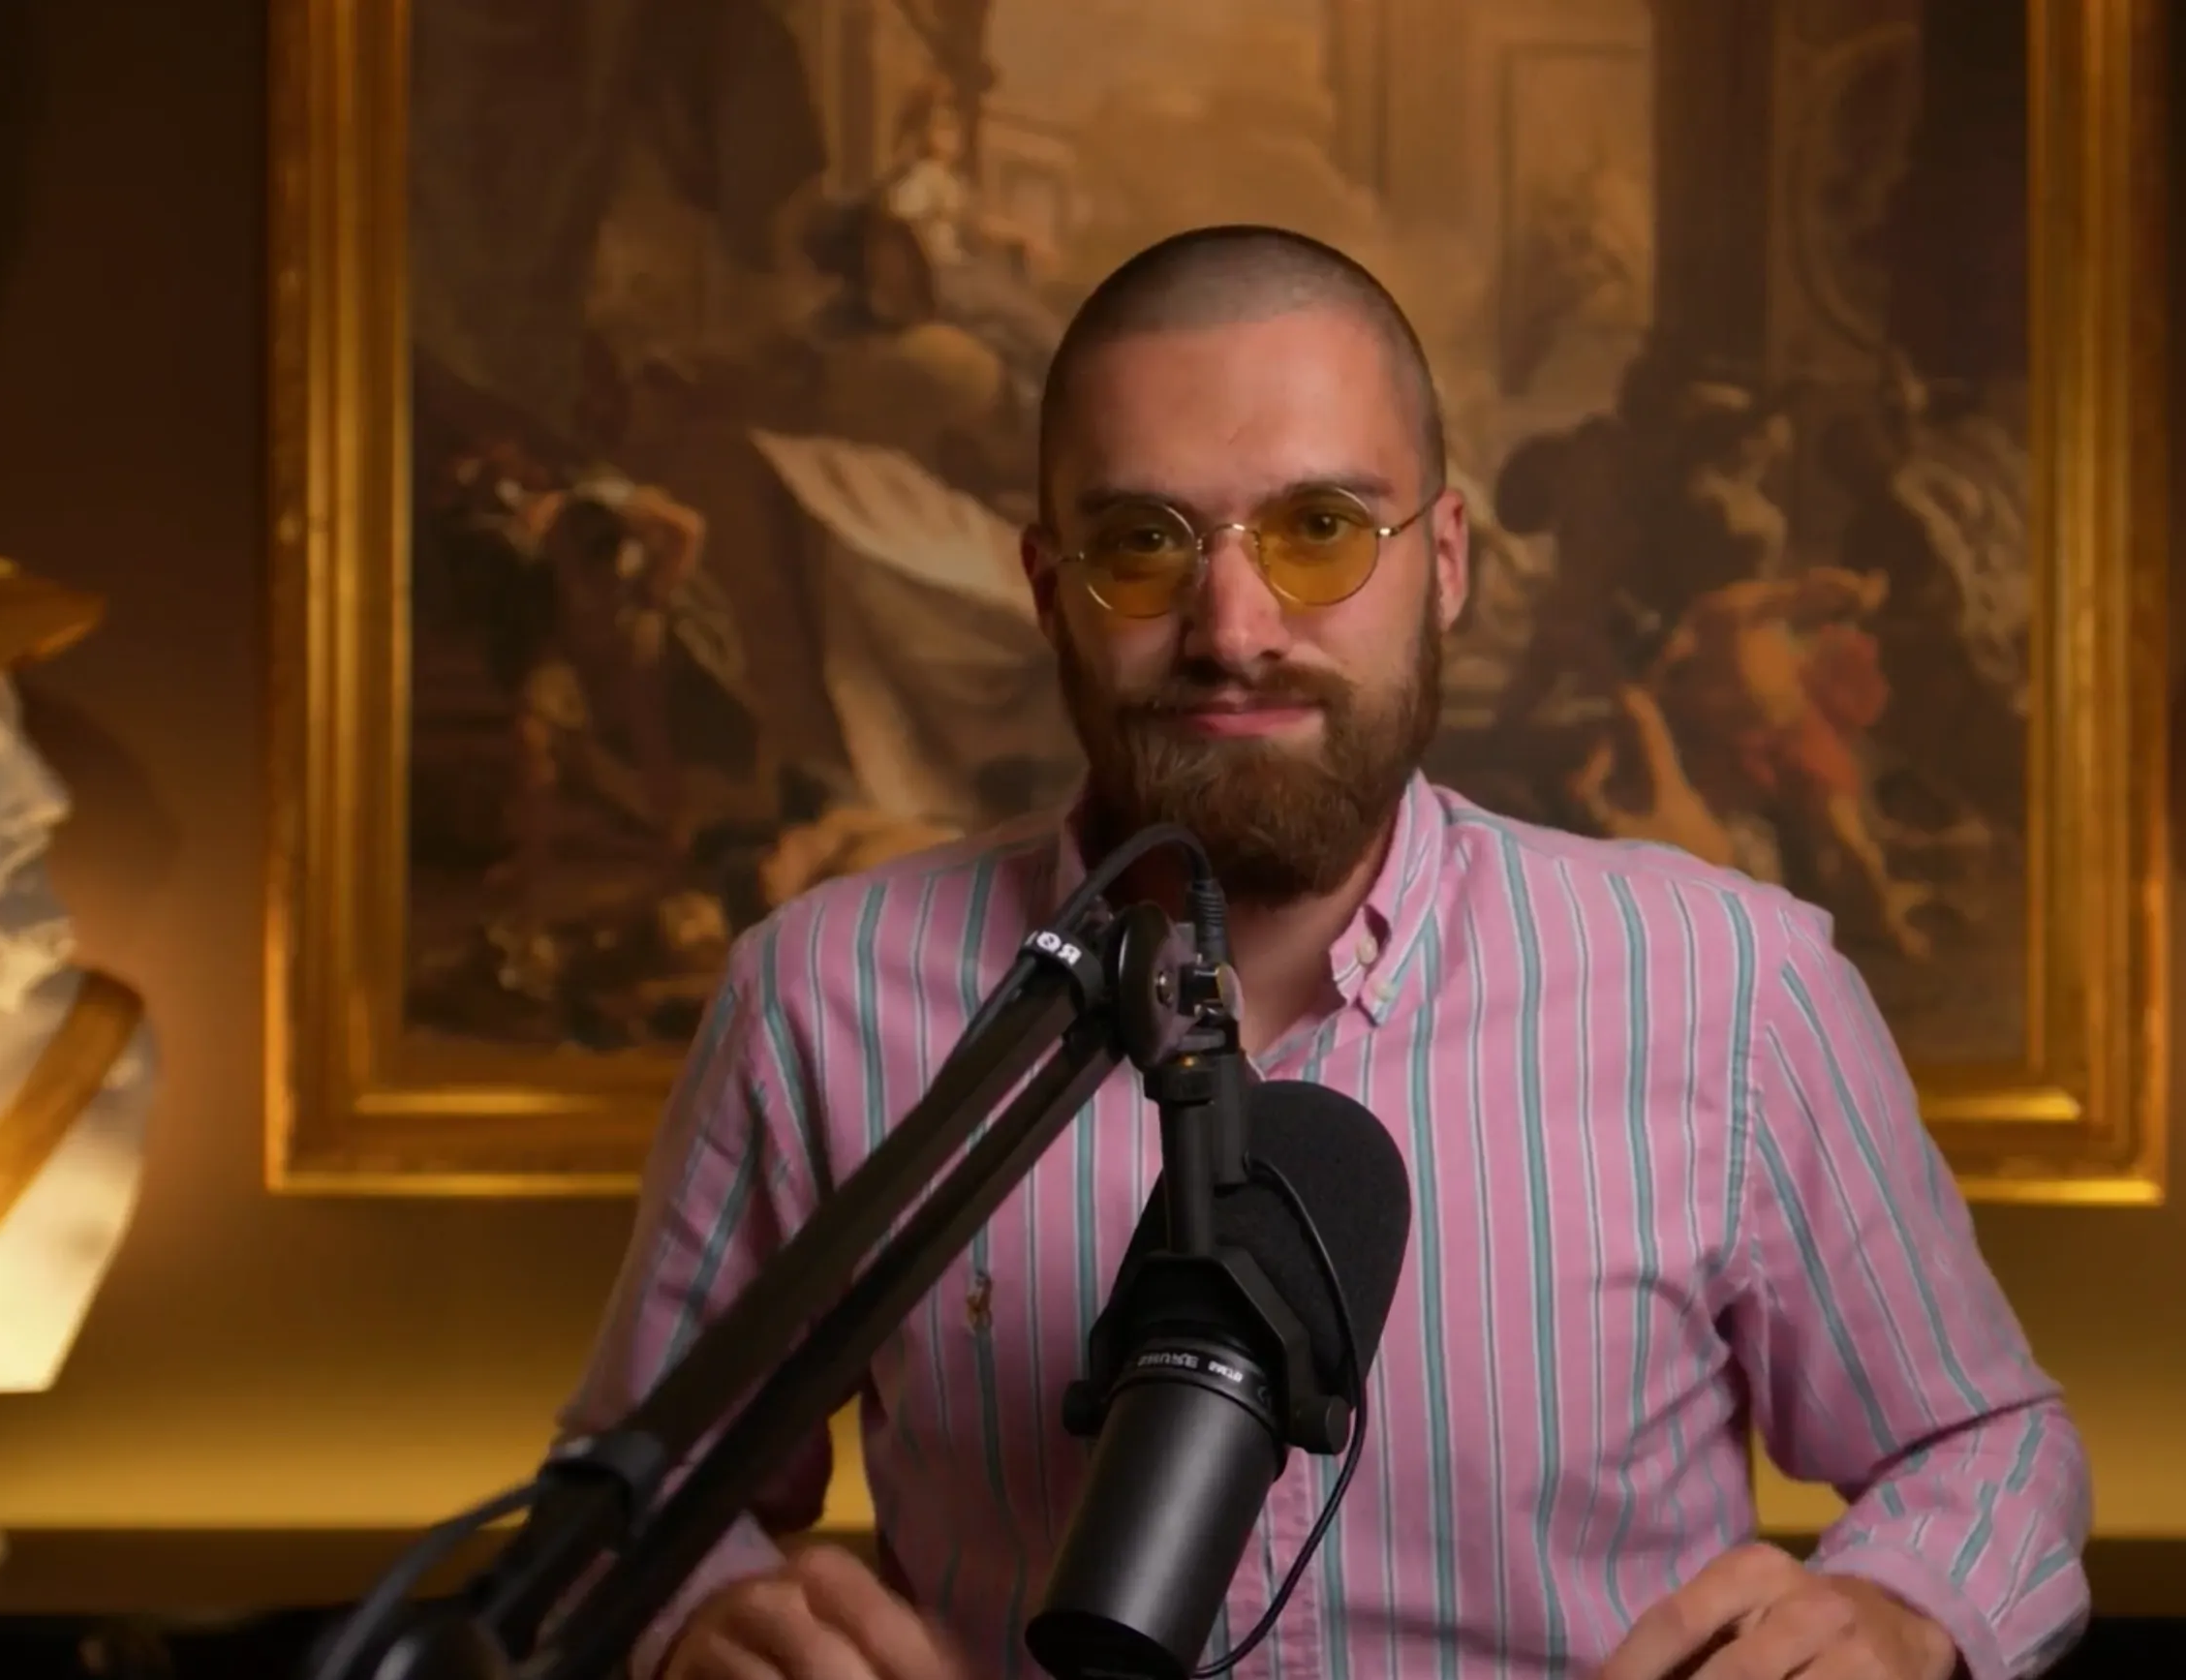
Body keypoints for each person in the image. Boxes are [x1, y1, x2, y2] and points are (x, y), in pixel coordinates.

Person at [561, 226, 2091, 1680]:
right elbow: (620, 1511)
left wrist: (1902, 1610)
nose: (1234, 627)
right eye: (1143, 542)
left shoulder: (1733, 986)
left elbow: (1986, 1445)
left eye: (1318, 530)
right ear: (1046, 591)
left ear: (1448, 561)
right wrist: (694, 1618)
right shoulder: (816, 999)